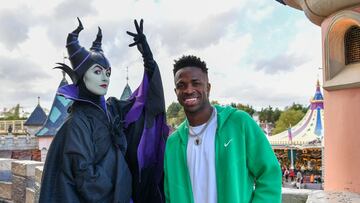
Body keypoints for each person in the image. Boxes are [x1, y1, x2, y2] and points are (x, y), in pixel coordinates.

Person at [39, 18, 168, 203]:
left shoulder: (112, 109)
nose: (105, 78)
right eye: (97, 71)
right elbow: (85, 177)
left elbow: (144, 103)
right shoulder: (77, 122)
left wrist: (148, 61)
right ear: (83, 75)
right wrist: (120, 190)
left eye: (108, 72)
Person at [164, 55, 282, 203]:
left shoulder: (239, 123)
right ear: (176, 92)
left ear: (208, 87)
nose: (189, 90)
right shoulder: (173, 143)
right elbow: (169, 194)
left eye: (196, 83)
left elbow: (269, 174)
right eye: (182, 85)